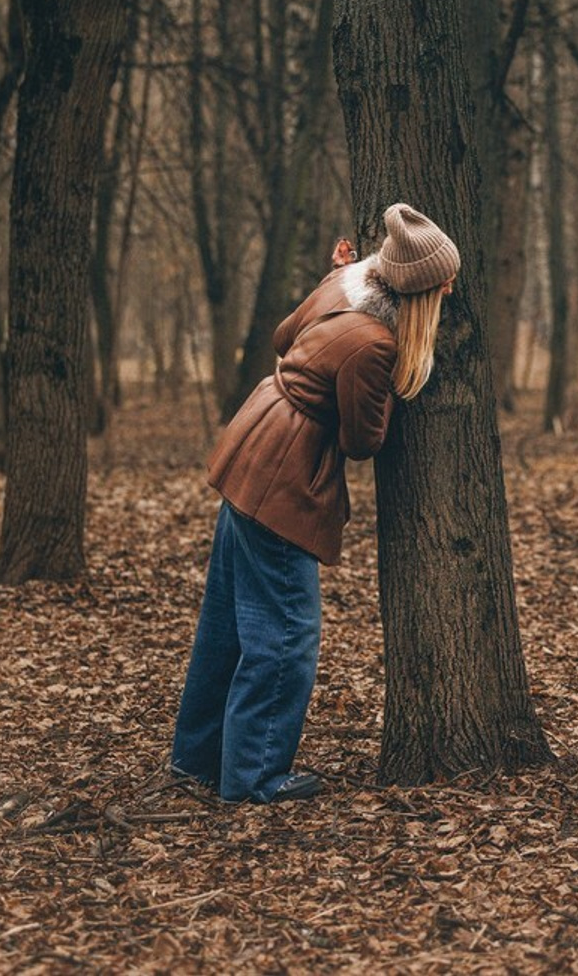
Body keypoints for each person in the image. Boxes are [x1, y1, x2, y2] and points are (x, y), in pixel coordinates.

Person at [170, 203, 461, 803]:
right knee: (284, 633)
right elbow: (363, 442)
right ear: (420, 290)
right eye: (443, 282)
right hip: (285, 475)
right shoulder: (375, 345)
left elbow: (283, 337)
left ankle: (196, 759)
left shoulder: (340, 285)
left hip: (251, 442)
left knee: (226, 624)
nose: (451, 288)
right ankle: (253, 777)